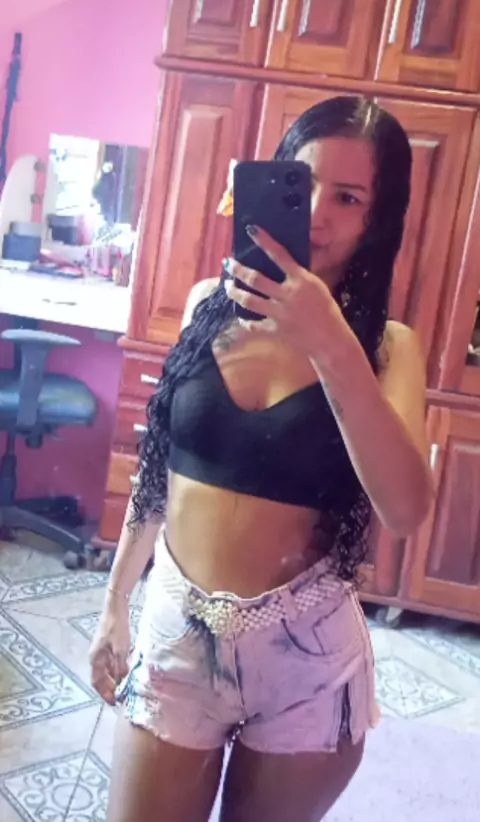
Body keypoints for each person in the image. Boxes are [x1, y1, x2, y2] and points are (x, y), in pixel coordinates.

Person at [90, 96, 433, 822]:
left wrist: (331, 343)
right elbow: (159, 471)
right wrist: (115, 601)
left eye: (348, 198)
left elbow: (405, 509)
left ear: (377, 220)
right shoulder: (203, 306)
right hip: (178, 634)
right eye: (301, 183)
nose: (317, 214)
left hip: (308, 659)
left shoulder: (387, 348)